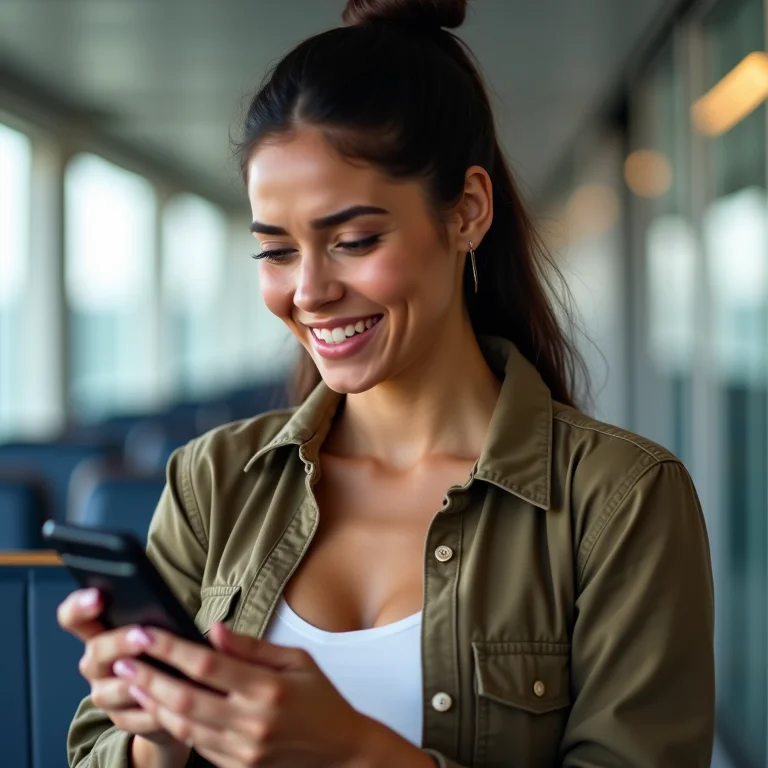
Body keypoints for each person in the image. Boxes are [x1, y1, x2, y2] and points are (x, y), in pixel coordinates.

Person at [59, 0, 715, 766]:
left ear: (467, 212)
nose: (308, 291)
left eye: (355, 240)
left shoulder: (618, 500)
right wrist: (157, 736)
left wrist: (354, 751)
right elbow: (95, 752)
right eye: (275, 251)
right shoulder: (212, 481)